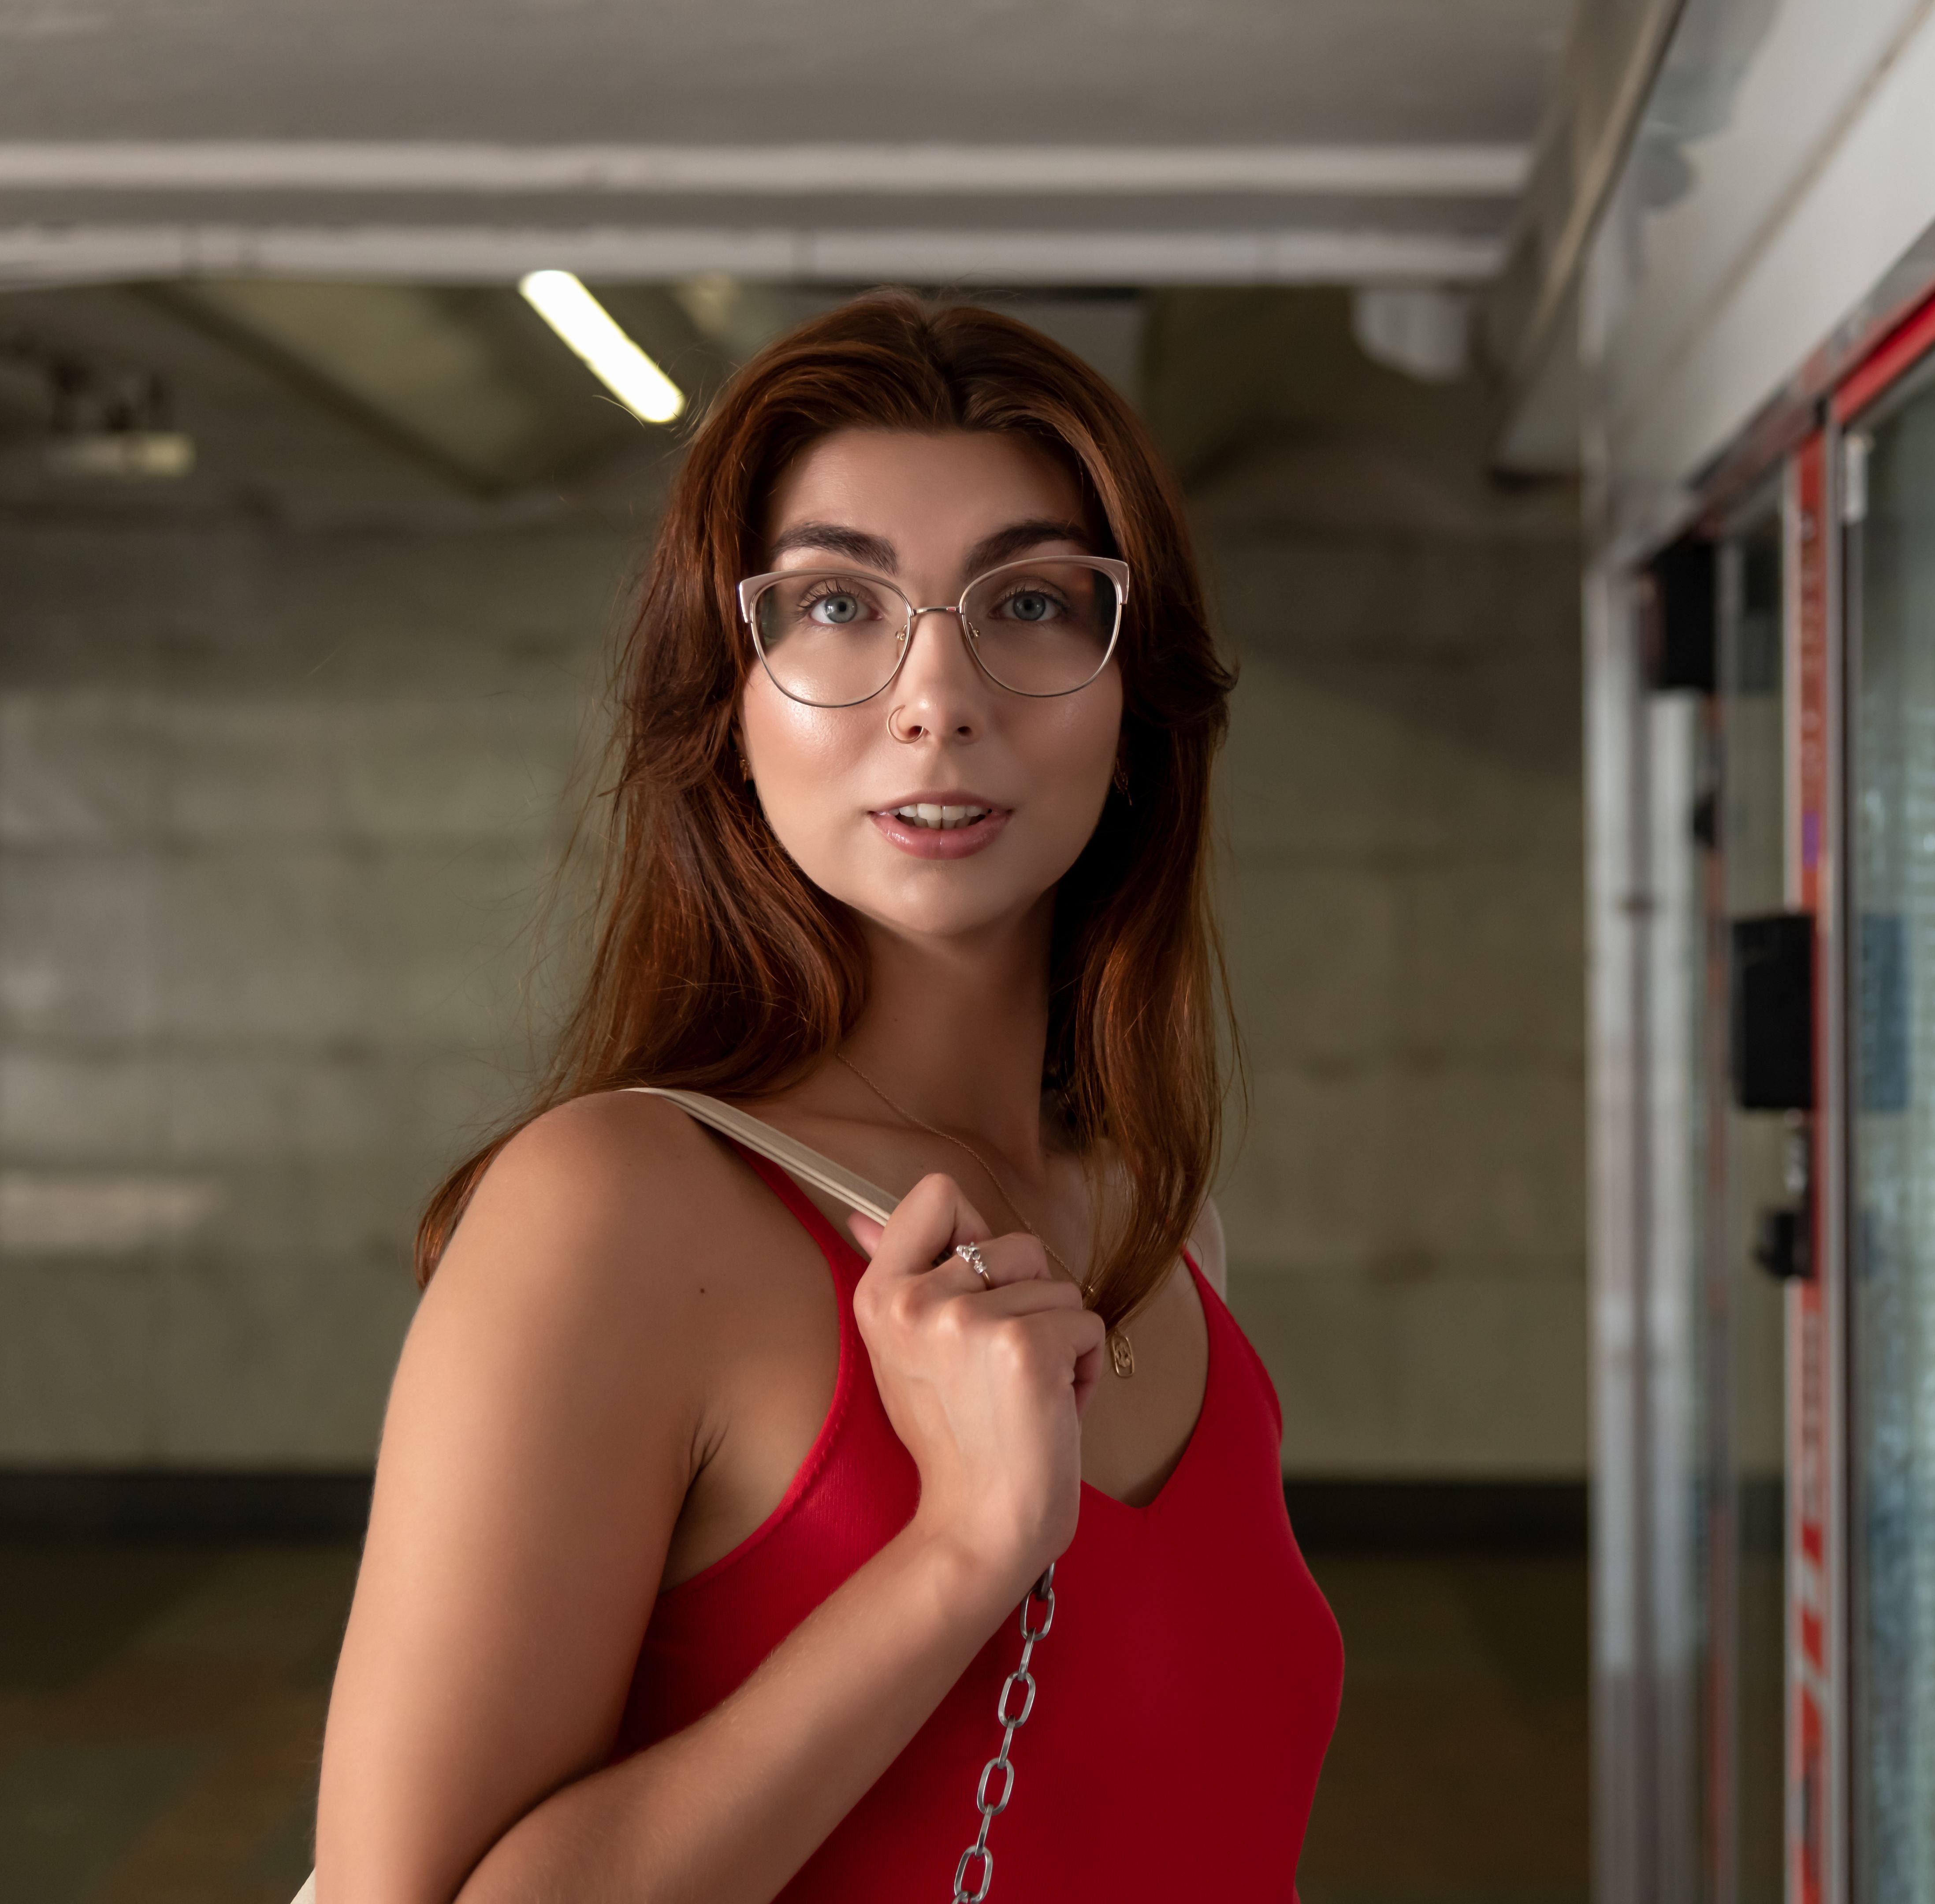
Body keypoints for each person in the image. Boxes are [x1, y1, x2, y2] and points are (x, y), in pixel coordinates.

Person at [314, 292, 1344, 1904]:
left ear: (1137, 709)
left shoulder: (1157, 1222)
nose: (938, 695)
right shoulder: (619, 1206)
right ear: (729, 712)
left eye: (1031, 602)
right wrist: (957, 1557)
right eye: (835, 605)